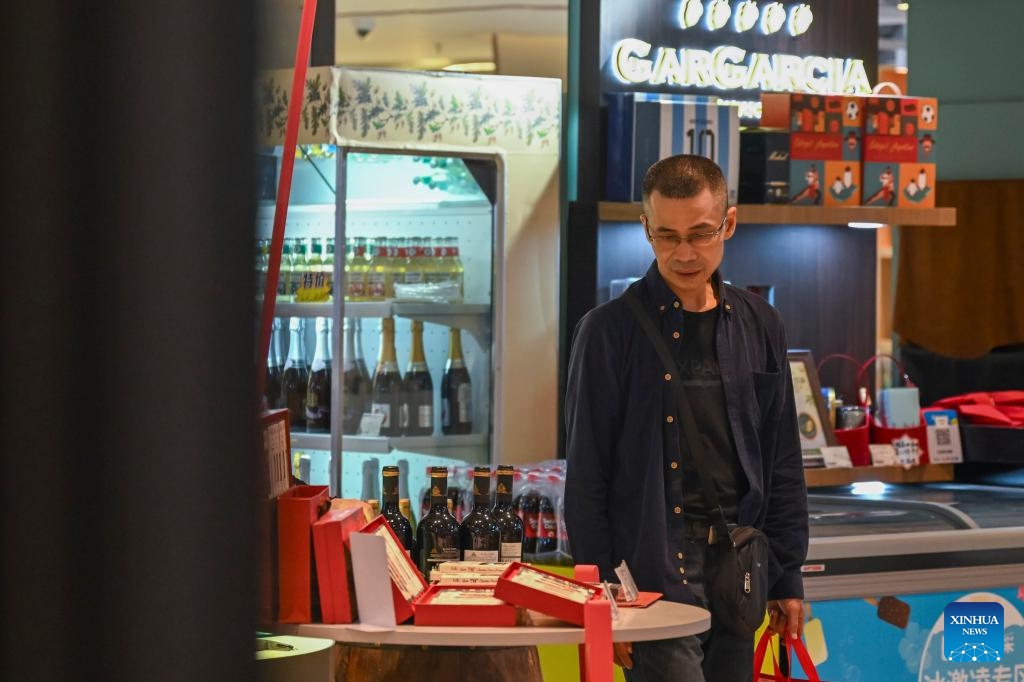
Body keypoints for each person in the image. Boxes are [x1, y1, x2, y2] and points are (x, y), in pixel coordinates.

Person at [564, 154, 808, 681]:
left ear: (729, 223)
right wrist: (602, 594)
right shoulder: (607, 331)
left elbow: (782, 459)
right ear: (646, 229)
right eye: (667, 236)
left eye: (700, 234)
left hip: (741, 567)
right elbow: (586, 474)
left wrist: (788, 576)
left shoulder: (760, 323)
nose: (685, 253)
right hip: (650, 574)